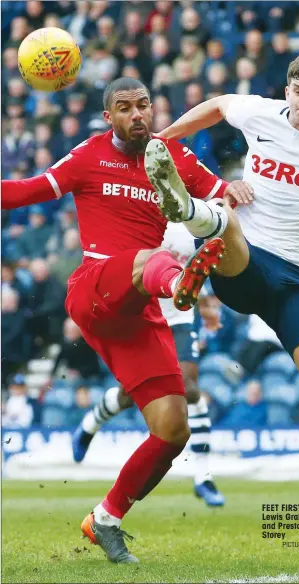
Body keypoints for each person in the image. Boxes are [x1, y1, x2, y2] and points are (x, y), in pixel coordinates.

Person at [1, 76, 246, 563]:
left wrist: (234, 189)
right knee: (144, 259)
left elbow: (223, 195)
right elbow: (26, 191)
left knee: (173, 429)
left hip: (140, 309)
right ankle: (180, 284)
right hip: (96, 287)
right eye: (124, 108)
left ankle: (106, 518)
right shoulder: (88, 155)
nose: (137, 114)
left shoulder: (171, 156)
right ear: (108, 116)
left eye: (143, 105)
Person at [145, 53, 299, 509]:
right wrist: (163, 139)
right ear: (287, 91)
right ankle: (186, 209)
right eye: (298, 91)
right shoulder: (260, 113)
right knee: (230, 223)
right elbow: (220, 104)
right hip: (244, 262)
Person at [72, 222, 225, 507]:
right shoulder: (136, 218)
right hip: (144, 317)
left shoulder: (190, 217)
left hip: (180, 317)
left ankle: (203, 476)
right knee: (129, 396)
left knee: (189, 389)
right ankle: (90, 424)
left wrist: (205, 308)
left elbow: (195, 267)